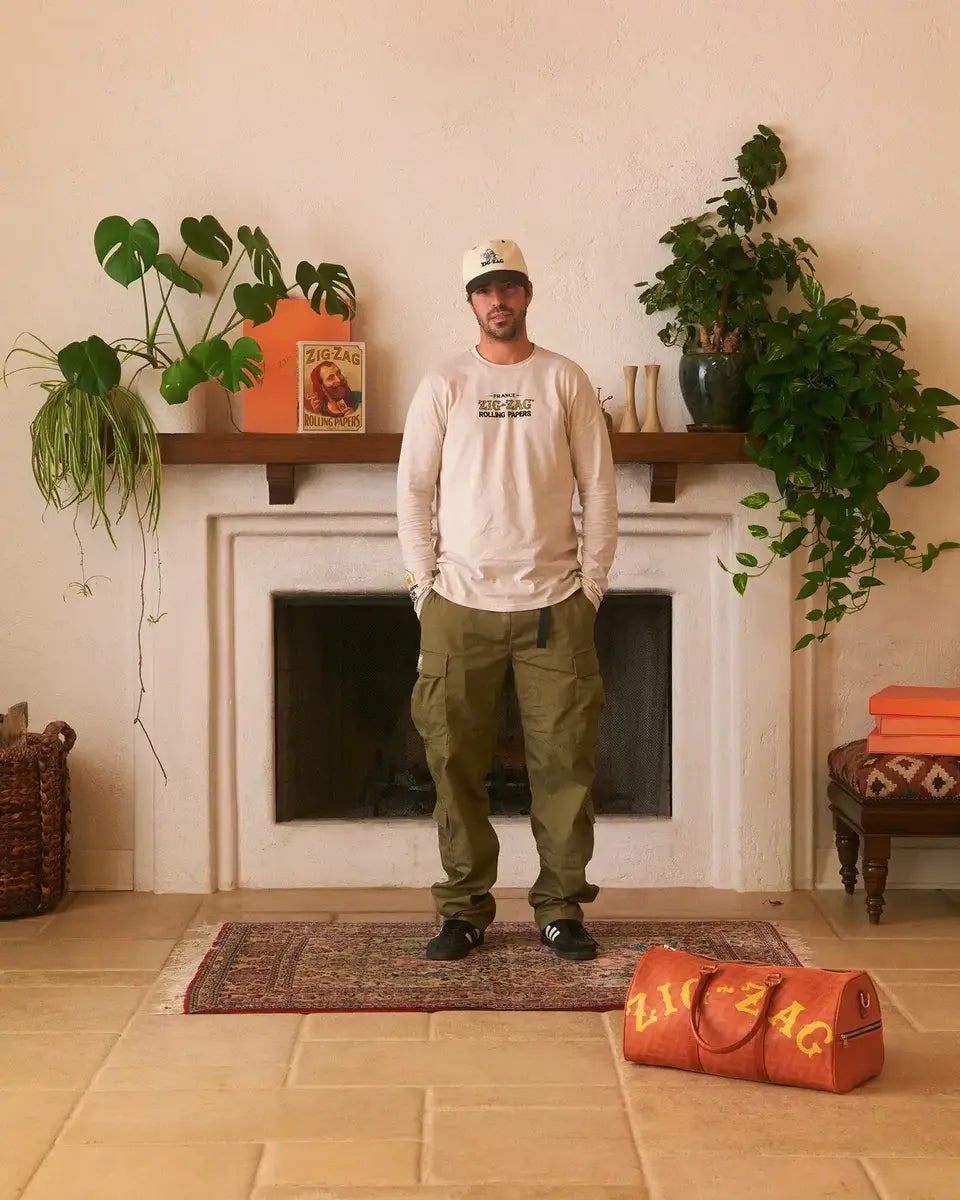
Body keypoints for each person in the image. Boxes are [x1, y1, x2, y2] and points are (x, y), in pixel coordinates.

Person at [397, 239, 618, 963]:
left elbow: (600, 487)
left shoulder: (564, 380)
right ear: (471, 302)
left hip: (557, 605)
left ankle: (560, 907)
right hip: (459, 605)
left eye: (510, 287)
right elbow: (414, 491)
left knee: (566, 766)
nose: (499, 300)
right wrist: (422, 589)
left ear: (528, 293)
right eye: (485, 289)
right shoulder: (443, 385)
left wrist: (591, 587)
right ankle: (463, 910)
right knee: (454, 763)